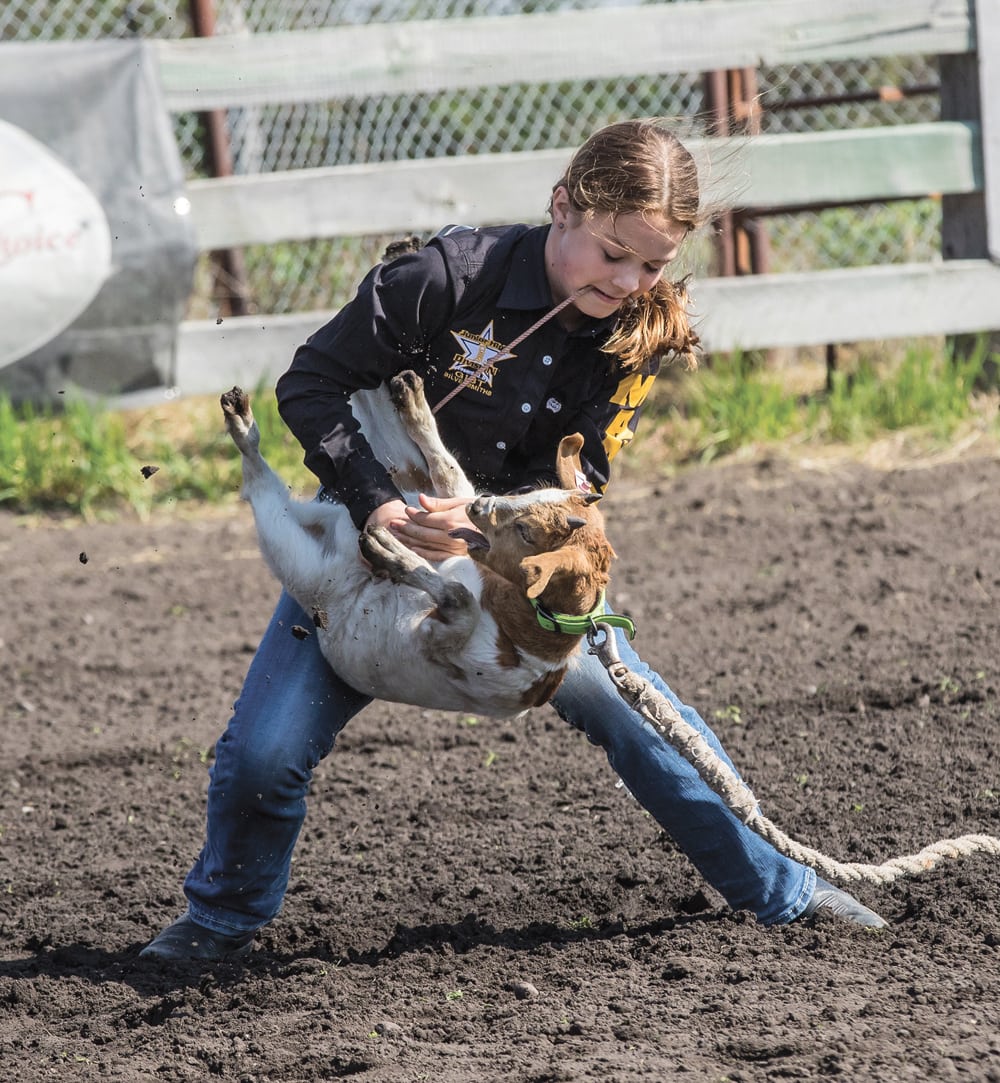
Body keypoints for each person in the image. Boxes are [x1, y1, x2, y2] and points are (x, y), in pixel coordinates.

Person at [141, 119, 886, 962]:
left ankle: (786, 892)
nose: (630, 279)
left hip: (513, 572)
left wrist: (485, 533)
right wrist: (379, 506)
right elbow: (309, 382)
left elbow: (583, 482)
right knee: (264, 752)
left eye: (652, 264)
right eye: (613, 253)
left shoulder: (627, 332)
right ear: (563, 205)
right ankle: (221, 920)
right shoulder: (443, 278)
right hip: (366, 556)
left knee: (633, 708)